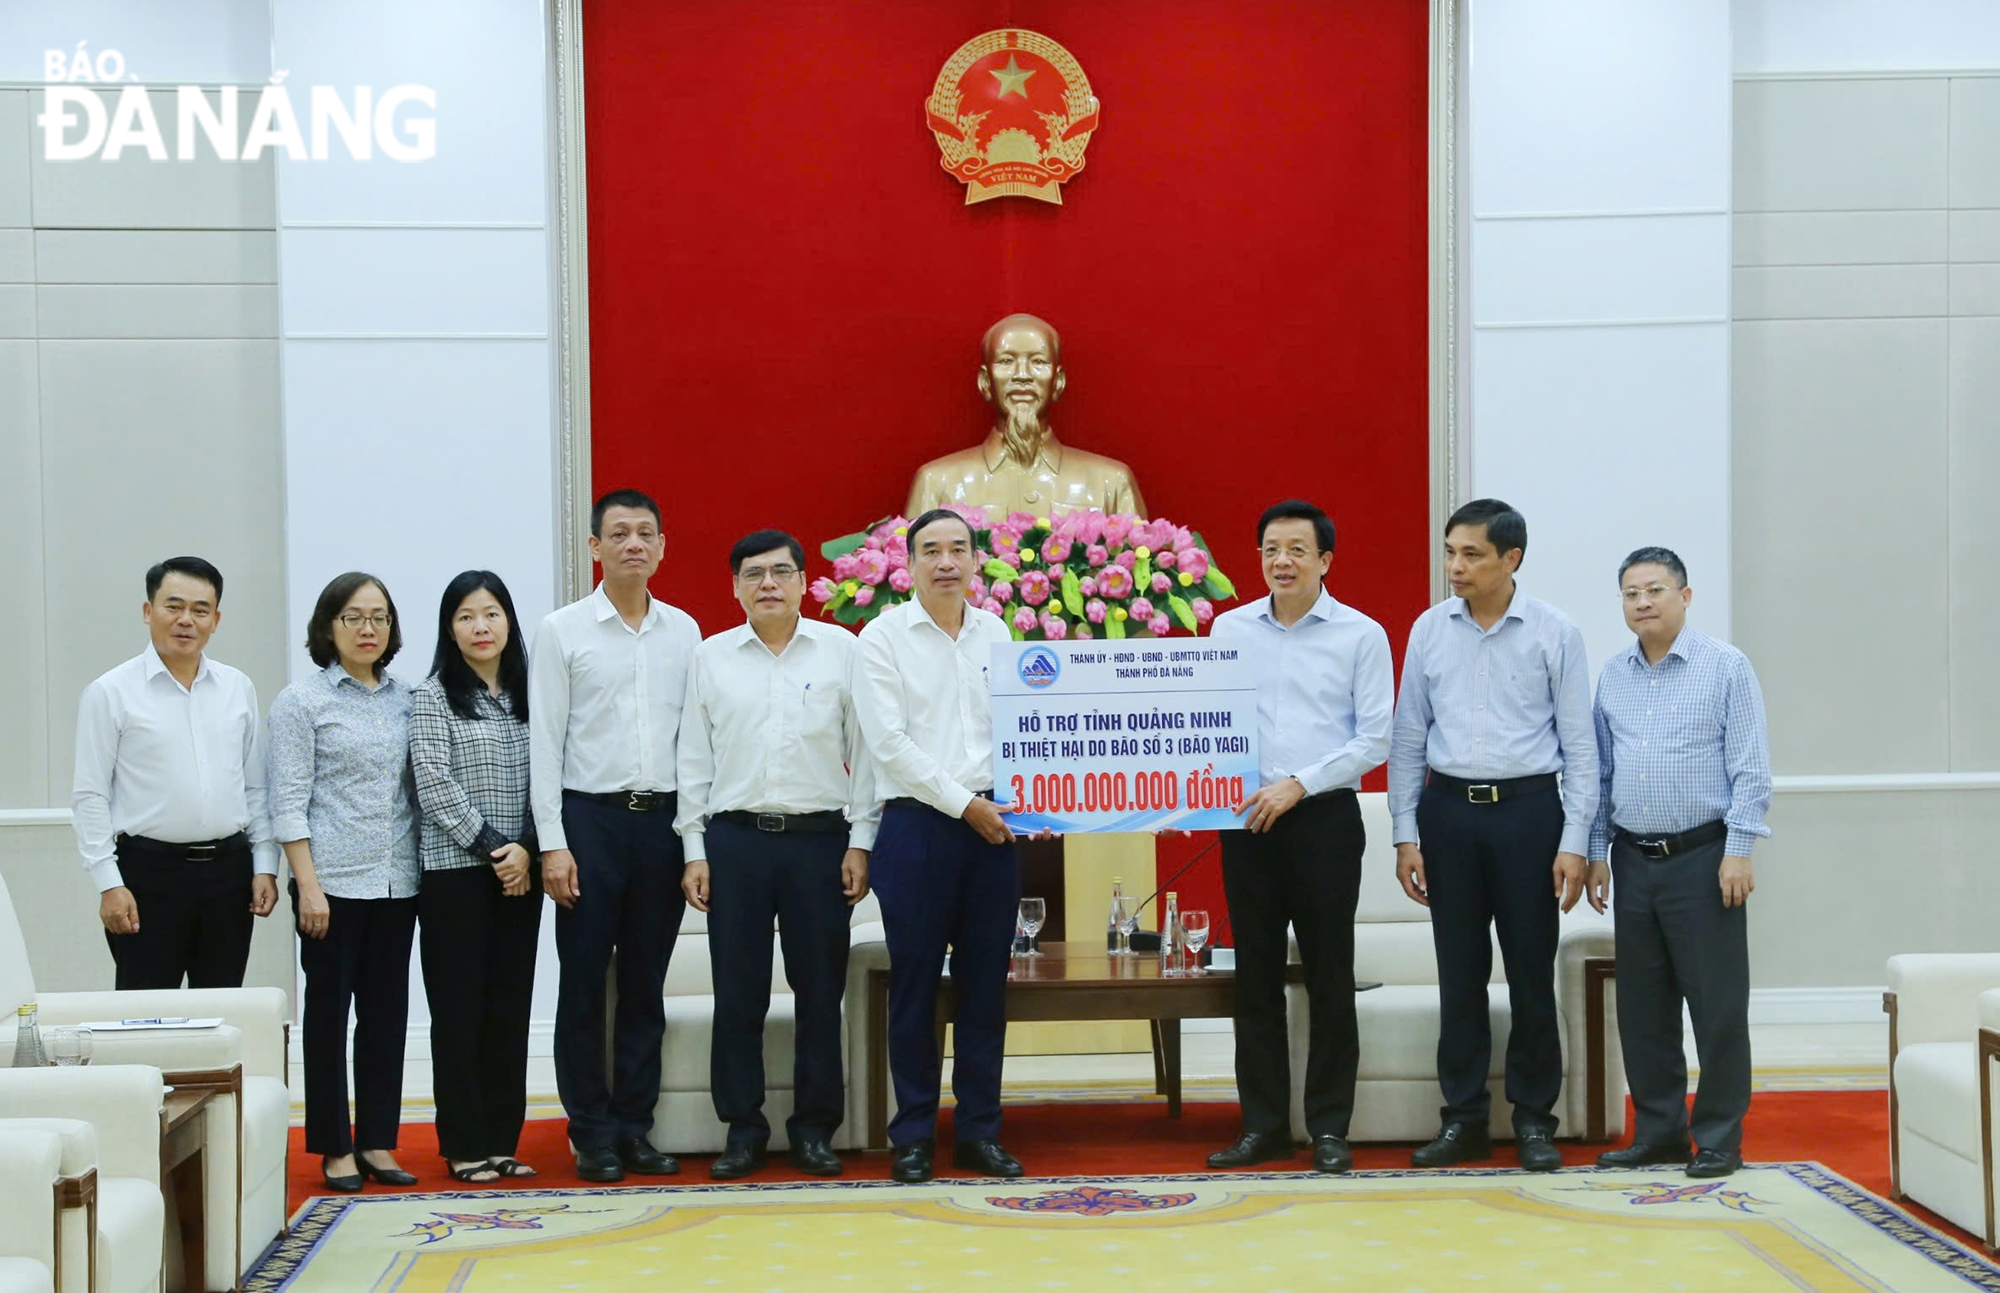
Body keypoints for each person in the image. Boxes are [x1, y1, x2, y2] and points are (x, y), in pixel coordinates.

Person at [1387, 498, 1597, 1172]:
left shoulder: (1555, 632)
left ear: (1512, 558)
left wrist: (1576, 841)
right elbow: (1407, 739)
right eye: (1450, 551)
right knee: (1460, 974)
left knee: (1533, 972)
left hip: (1530, 814)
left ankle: (1536, 1121)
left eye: (1472, 553)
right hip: (1449, 814)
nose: (1456, 566)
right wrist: (1405, 833)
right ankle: (1464, 1120)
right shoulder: (1428, 629)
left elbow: (1581, 747)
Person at [676, 530, 876, 1180]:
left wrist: (861, 841)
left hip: (821, 841)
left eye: (782, 571)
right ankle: (743, 1129)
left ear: (802, 581)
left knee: (820, 991)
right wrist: (694, 848)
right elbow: (691, 761)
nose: (768, 583)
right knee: (739, 994)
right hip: (734, 842)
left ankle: (816, 1129)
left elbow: (867, 753)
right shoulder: (710, 658)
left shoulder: (843, 651)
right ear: (734, 585)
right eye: (754, 573)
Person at [1205, 501, 1393, 1175]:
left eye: (1294, 549)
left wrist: (1299, 784)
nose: (1280, 561)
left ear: (1325, 560)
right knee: (1252, 978)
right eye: (1269, 549)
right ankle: (1262, 1127)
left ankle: (1329, 1127)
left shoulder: (1360, 634)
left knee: (1328, 974)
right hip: (1248, 822)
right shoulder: (1228, 629)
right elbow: (1204, 722)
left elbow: (1374, 736)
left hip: (1323, 820)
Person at [529, 489, 700, 1182]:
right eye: (619, 533)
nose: (634, 543)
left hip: (660, 823)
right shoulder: (562, 630)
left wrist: (694, 846)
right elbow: (544, 740)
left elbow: (694, 746)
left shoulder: (685, 632)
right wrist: (552, 842)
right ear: (594, 547)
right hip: (588, 823)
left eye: (646, 533)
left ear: (662, 546)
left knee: (643, 986)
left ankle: (634, 1125)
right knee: (581, 985)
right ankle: (591, 1131)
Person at [1588, 547, 1771, 1180]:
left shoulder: (1726, 667)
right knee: (1644, 1008)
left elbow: (1751, 766)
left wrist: (1739, 850)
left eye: (1656, 590)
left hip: (1705, 859)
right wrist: (1595, 853)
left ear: (1685, 597)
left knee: (1717, 1007)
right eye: (1631, 593)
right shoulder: (1613, 675)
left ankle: (1718, 1136)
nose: (1642, 602)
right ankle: (1660, 1132)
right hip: (1632, 860)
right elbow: (1602, 775)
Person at [852, 507, 1022, 1183]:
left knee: (987, 989)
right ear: (910, 562)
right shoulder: (881, 637)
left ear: (976, 561)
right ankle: (914, 1134)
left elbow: (1021, 729)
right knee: (916, 988)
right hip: (919, 828)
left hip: (995, 832)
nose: (946, 561)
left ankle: (981, 1132)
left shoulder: (998, 631)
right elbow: (887, 745)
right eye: (931, 550)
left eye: (958, 549)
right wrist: (965, 804)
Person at [268, 571, 421, 1193]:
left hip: (399, 882)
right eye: (354, 617)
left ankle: (379, 1141)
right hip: (329, 886)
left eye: (379, 617)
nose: (368, 629)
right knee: (328, 1018)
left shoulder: (410, 698)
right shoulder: (302, 702)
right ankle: (334, 1147)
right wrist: (307, 886)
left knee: (387, 1016)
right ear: (329, 626)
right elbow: (288, 801)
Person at [72, 557, 279, 989]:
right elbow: (90, 796)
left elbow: (256, 785)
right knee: (147, 1017)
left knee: (220, 1014)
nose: (186, 620)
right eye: (173, 606)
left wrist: (265, 864)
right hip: (147, 876)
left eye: (200, 610)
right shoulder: (110, 692)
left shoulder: (237, 687)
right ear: (148, 611)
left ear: (216, 620)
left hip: (229, 875)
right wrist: (108, 883)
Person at [411, 571, 543, 1184]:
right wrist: (500, 851)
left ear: (509, 621)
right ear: (450, 628)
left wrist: (529, 852)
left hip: (524, 873)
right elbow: (433, 785)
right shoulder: (433, 695)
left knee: (509, 1009)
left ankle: (501, 1140)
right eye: (466, 616)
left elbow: (552, 773)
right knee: (460, 1012)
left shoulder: (532, 694)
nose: (480, 626)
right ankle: (463, 1144)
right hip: (456, 877)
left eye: (491, 613)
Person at [905, 313, 1146, 518]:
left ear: (1058, 382)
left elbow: (1140, 565)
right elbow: (914, 568)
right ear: (985, 381)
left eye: (1038, 362)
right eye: (1006, 361)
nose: (1022, 375)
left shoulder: (1111, 483)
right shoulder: (936, 483)